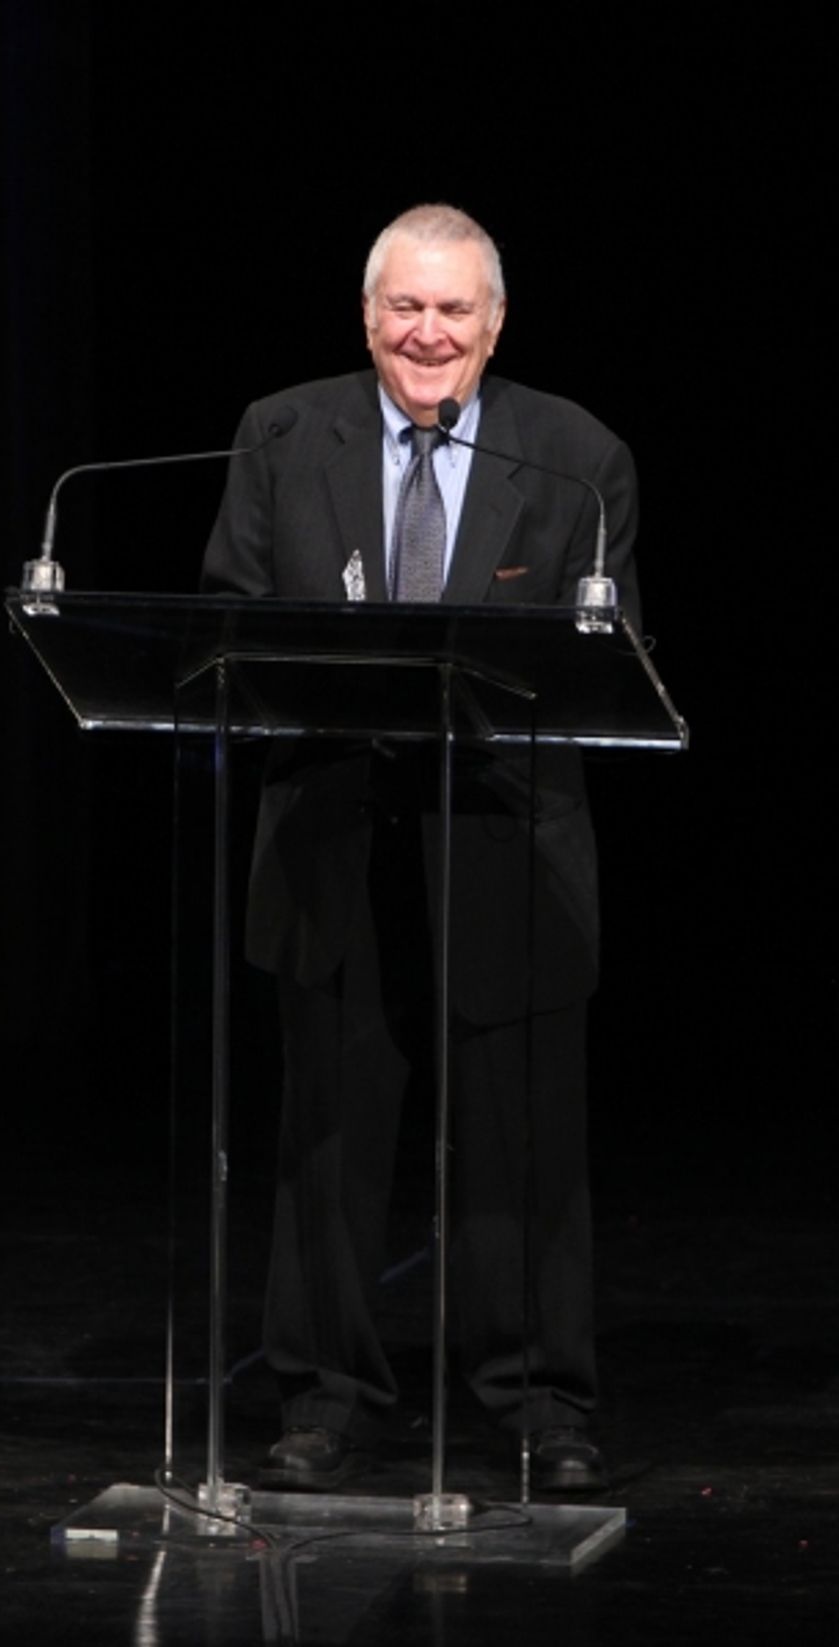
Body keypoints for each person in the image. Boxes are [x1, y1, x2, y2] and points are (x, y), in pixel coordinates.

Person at [201, 203, 639, 1494]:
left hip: (504, 845)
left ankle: (540, 1401)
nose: (429, 333)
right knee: (326, 1143)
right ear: (369, 317)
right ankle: (322, 1396)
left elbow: (605, 655)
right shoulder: (285, 434)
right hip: (333, 837)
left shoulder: (578, 459)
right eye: (407, 308)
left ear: (495, 325)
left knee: (524, 1150)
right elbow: (229, 618)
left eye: (455, 311)